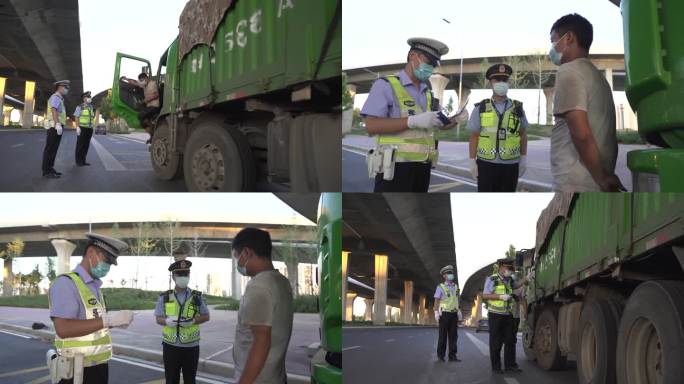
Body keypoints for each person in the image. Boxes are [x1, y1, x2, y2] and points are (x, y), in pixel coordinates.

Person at [361, 37, 465, 192]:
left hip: (423, 169)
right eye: (428, 61)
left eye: (434, 64)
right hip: (394, 169)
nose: (431, 67)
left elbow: (437, 124)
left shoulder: (428, 94)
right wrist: (411, 121)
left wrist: (456, 120)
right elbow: (371, 126)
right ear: (412, 56)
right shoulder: (386, 85)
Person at [549, 13, 625, 192]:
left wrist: (602, 179)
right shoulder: (598, 77)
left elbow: (581, 133)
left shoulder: (569, 72)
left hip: (575, 180)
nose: (551, 48)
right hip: (595, 177)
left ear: (568, 38)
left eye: (553, 41)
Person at [48, 233, 135, 384]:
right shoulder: (66, 284)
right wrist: (108, 320)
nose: (107, 267)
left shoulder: (94, 288)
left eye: (110, 263)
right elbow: (63, 329)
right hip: (75, 372)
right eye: (106, 260)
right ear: (90, 253)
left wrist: (114, 322)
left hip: (98, 368)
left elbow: (95, 326)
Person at [231, 227, 293, 384]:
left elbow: (261, 342)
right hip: (275, 376)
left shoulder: (258, 286)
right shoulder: (281, 281)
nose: (237, 263)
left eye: (236, 257)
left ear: (246, 253)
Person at [468, 64, 529, 192]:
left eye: (504, 80)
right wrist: (472, 161)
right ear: (490, 82)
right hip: (486, 165)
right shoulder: (481, 108)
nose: (501, 83)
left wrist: (523, 158)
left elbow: (523, 134)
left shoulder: (517, 108)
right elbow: (474, 136)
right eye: (497, 80)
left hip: (511, 165)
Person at [154, 259, 210, 384]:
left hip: (191, 346)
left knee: (190, 380)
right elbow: (158, 318)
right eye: (180, 274)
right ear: (173, 276)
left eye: (186, 274)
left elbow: (206, 316)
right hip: (170, 346)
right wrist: (167, 321)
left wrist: (193, 321)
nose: (184, 277)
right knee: (171, 380)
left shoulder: (196, 296)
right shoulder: (165, 296)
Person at [482, 258, 525, 374]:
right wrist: (500, 297)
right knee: (496, 342)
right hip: (495, 315)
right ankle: (496, 367)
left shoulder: (509, 280)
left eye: (511, 269)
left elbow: (516, 285)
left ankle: (510, 365)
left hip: (507, 315)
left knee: (510, 340)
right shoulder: (492, 279)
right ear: (500, 267)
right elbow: (485, 295)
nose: (509, 271)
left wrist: (527, 278)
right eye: (508, 268)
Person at [433, 265, 462, 362]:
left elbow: (456, 299)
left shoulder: (456, 286)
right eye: (448, 273)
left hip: (454, 314)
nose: (451, 275)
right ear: (444, 276)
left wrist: (459, 310)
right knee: (443, 336)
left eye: (451, 273)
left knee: (453, 336)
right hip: (444, 314)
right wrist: (436, 312)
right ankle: (441, 356)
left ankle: (452, 356)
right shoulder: (440, 287)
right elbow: (436, 300)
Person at [42, 80, 69, 178]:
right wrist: (57, 124)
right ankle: (46, 171)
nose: (67, 89)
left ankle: (50, 169)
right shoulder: (56, 97)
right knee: (50, 149)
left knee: (54, 149)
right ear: (60, 87)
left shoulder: (60, 99)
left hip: (56, 126)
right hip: (54, 126)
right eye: (65, 87)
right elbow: (54, 110)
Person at [122, 73, 160, 139]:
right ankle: (151, 132)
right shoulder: (144, 85)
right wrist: (126, 79)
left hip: (154, 106)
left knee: (141, 116)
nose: (141, 82)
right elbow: (135, 83)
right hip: (148, 107)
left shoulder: (153, 84)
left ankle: (152, 132)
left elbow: (155, 95)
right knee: (141, 118)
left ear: (146, 78)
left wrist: (143, 101)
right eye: (141, 81)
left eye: (142, 80)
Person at [74, 91, 95, 166]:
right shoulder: (80, 107)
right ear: (83, 98)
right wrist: (77, 127)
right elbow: (76, 117)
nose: (89, 98)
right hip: (82, 128)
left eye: (90, 97)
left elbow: (91, 117)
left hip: (89, 129)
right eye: (87, 97)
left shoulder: (91, 107)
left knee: (86, 145)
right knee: (80, 145)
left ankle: (83, 160)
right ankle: (78, 161)